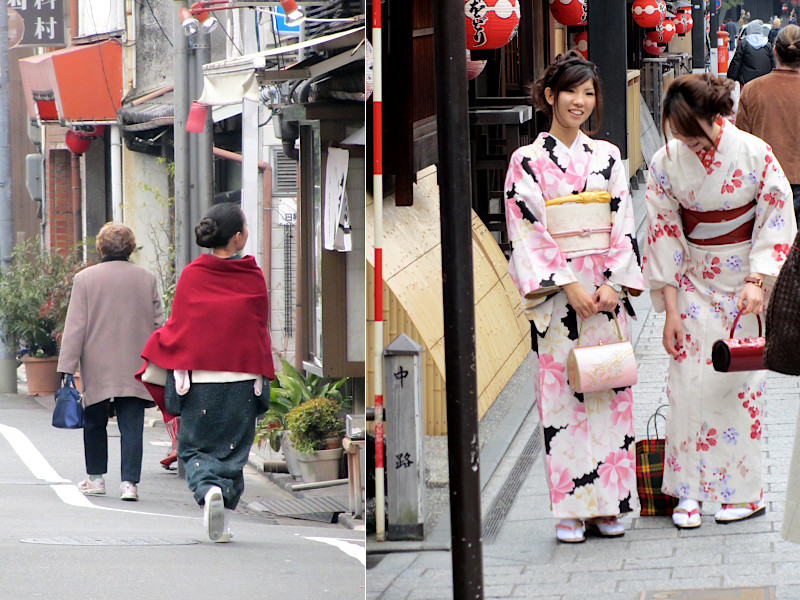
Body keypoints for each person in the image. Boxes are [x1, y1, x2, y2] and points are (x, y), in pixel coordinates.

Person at [643, 73, 796, 530]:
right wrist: (669, 308)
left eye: (693, 131)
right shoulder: (665, 161)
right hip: (691, 281)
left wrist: (758, 279)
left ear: (717, 118)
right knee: (686, 388)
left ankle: (743, 493)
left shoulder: (754, 153)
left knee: (737, 391)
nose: (685, 142)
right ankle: (687, 491)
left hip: (745, 287)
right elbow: (663, 232)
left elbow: (776, 215)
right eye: (677, 132)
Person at [503, 51, 644, 544]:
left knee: (609, 393)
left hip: (605, 295)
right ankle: (569, 508)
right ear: (549, 96)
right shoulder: (527, 161)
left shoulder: (607, 156)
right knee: (562, 402)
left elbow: (624, 223)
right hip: (559, 297)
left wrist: (610, 282)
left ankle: (609, 504)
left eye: (589, 93)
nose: (581, 102)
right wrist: (570, 284)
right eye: (571, 92)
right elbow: (527, 228)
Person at [138, 203, 275, 542]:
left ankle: (207, 492)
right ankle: (222, 514)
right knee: (233, 451)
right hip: (243, 380)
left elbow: (180, 326)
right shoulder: (252, 276)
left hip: (199, 381)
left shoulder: (192, 275)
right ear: (238, 237)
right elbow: (258, 327)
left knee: (194, 448)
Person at [57, 222, 164, 501]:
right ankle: (129, 484)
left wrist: (66, 367)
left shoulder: (85, 278)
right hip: (135, 363)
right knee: (132, 425)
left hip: (97, 363)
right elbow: (158, 324)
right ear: (130, 248)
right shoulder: (147, 278)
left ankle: (95, 479)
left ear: (100, 247)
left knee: (94, 422)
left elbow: (76, 327)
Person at [737, 24, 800, 227]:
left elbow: (740, 142)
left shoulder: (752, 89)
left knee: (770, 250)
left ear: (774, 51)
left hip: (765, 181)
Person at [729, 20, 776, 87]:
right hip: (764, 81)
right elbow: (773, 62)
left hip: (746, 82)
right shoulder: (767, 45)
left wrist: (731, 78)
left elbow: (736, 62)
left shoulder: (744, 43)